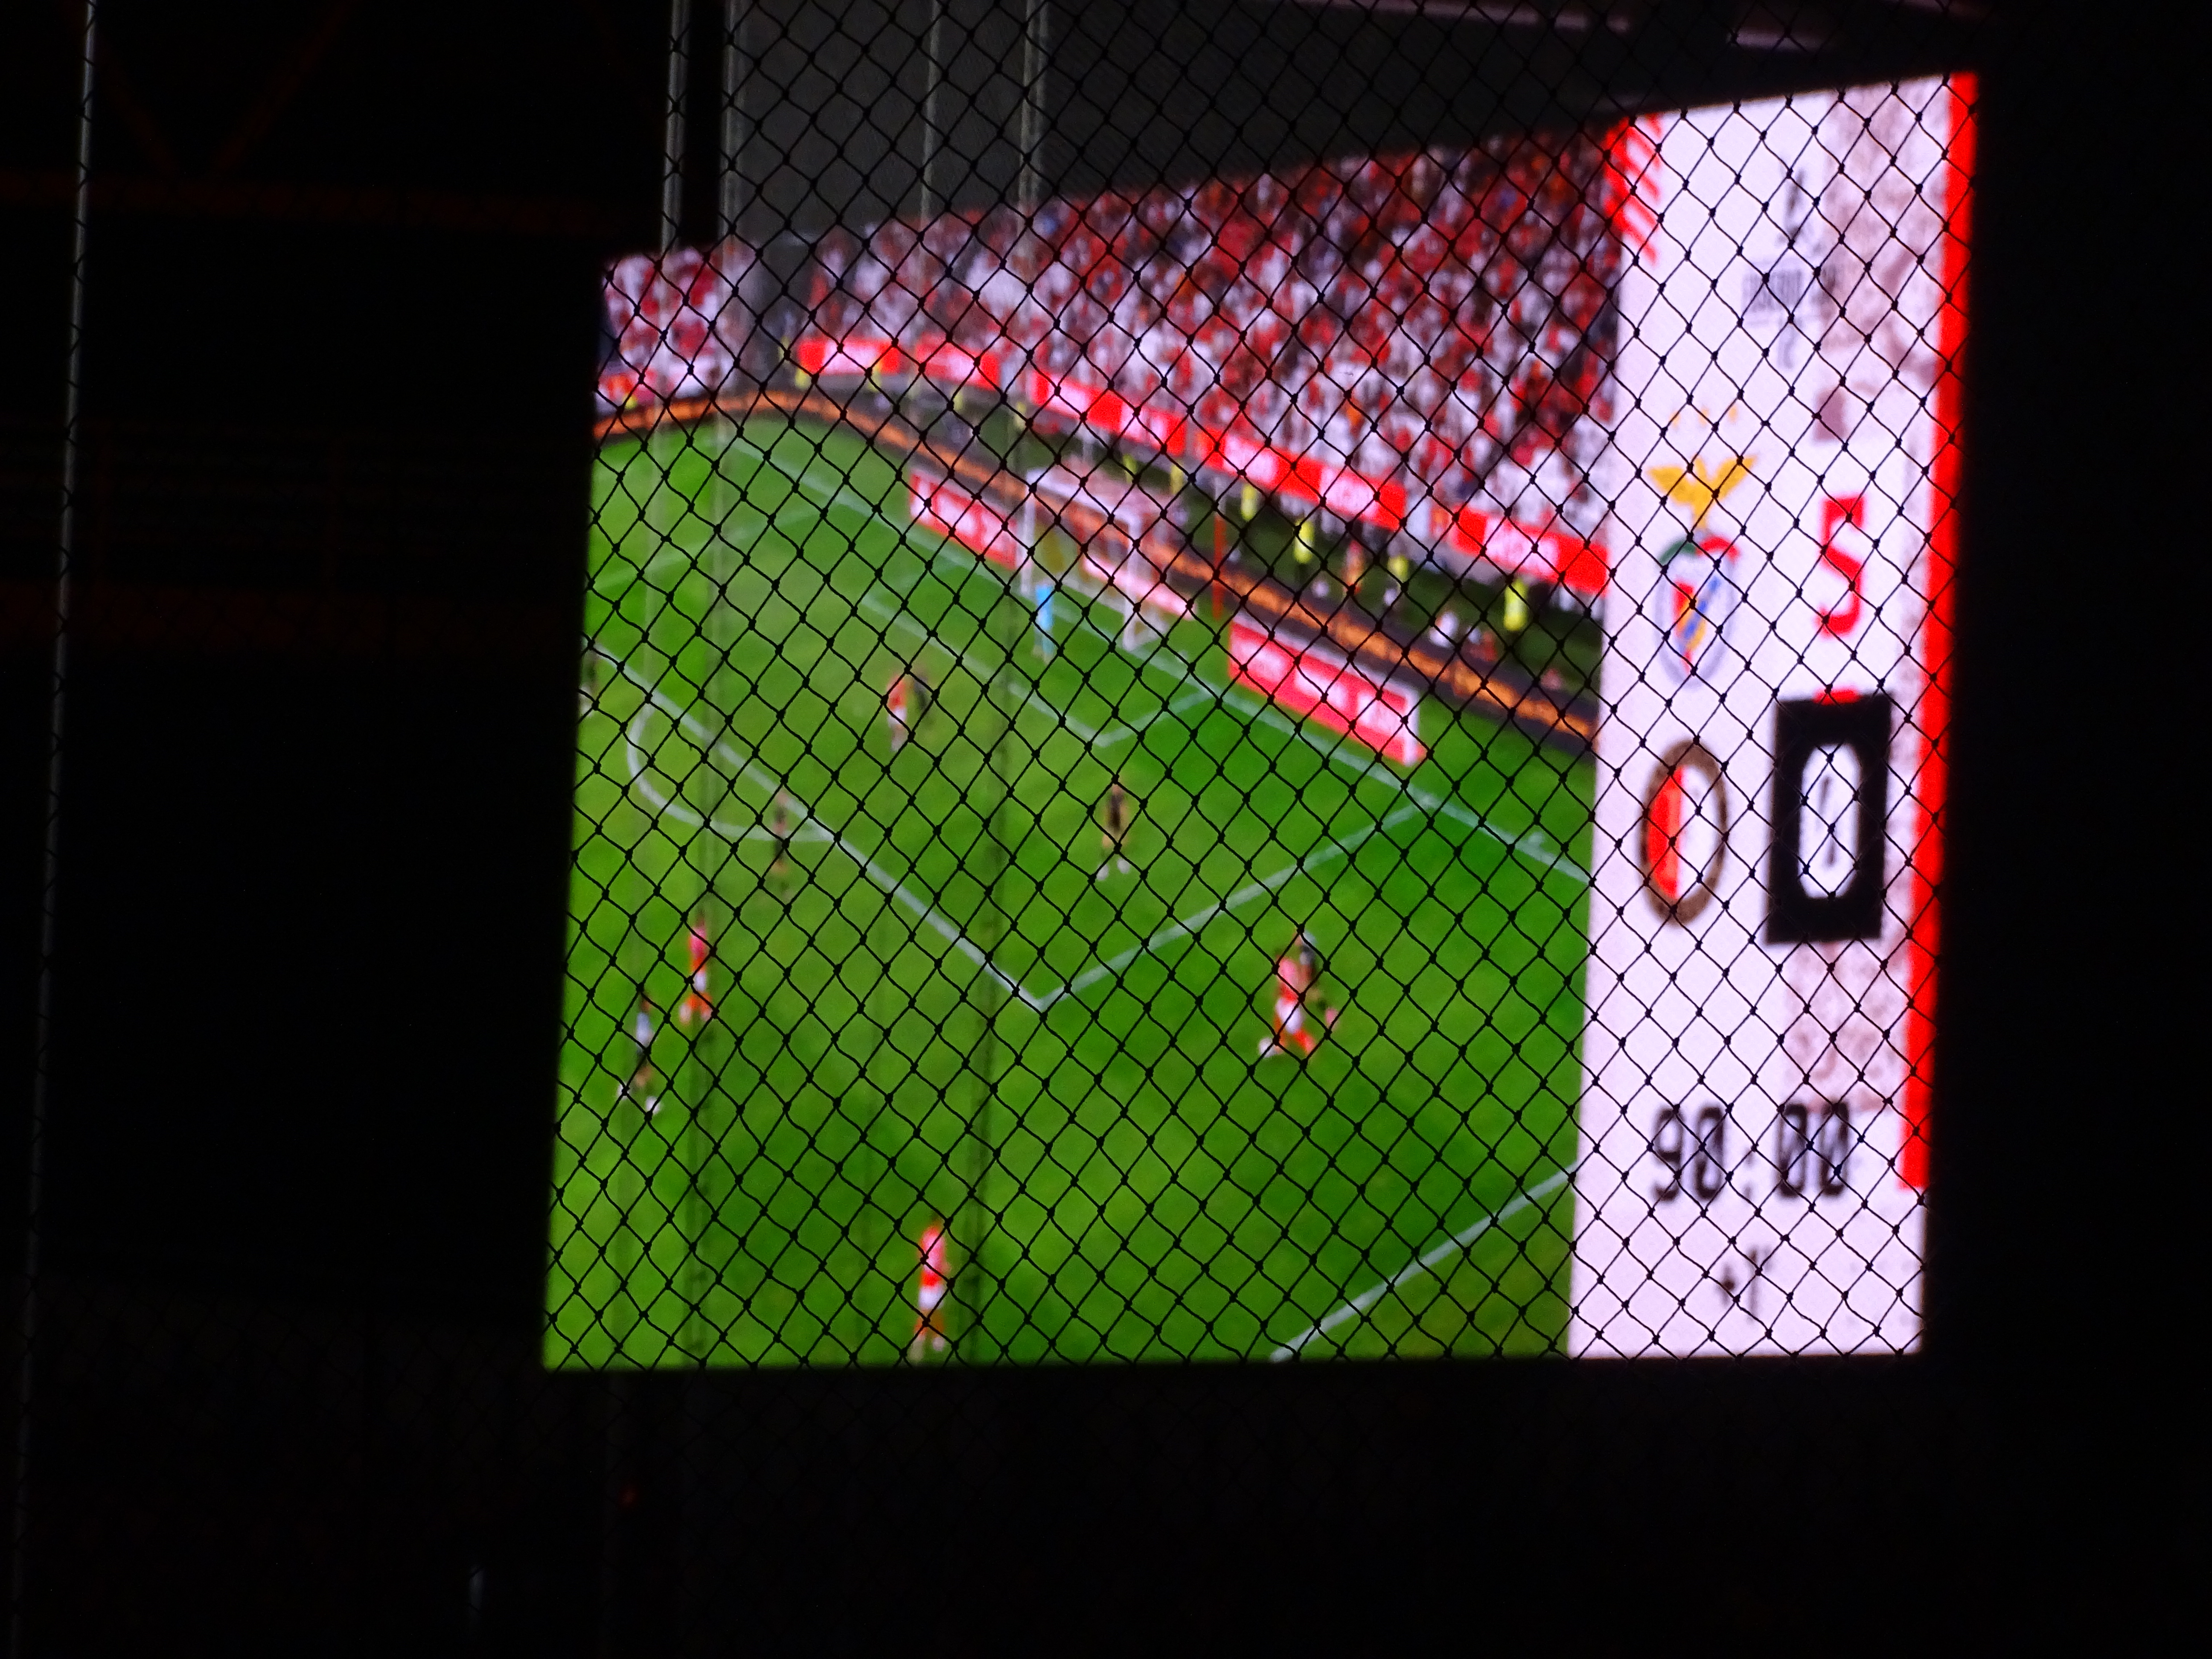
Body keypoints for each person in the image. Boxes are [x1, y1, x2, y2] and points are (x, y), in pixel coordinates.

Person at [1257, 927, 1339, 1060]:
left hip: (1293, 1001)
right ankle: (1281, 1041)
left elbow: (1296, 982)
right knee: (1279, 1010)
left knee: (1294, 1028)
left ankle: (1310, 1045)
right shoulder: (1288, 965)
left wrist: (1300, 989)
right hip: (1290, 998)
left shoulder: (1283, 968)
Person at [911, 1222, 951, 1359]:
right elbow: (941, 1258)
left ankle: (932, 1338)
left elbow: (919, 1254)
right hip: (934, 1283)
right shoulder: (940, 1238)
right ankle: (927, 1340)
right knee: (930, 1312)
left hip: (927, 1282)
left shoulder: (927, 1235)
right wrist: (945, 1267)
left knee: (929, 1312)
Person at [620, 994, 660, 1115]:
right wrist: (651, 1037)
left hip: (642, 1050)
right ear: (644, 1004)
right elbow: (642, 1036)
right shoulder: (643, 1018)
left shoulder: (644, 1017)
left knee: (644, 1075)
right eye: (649, 1002)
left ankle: (627, 1090)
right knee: (646, 1075)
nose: (652, 1005)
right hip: (642, 1050)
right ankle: (650, 1101)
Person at [677, 910, 713, 1027]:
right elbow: (698, 952)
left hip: (697, 968)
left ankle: (703, 1011)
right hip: (699, 969)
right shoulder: (699, 935)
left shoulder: (695, 933)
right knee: (700, 992)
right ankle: (701, 1011)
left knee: (699, 992)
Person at [1097, 774, 1135, 879]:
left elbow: (1125, 813)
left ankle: (1122, 861)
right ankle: (1103, 866)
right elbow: (1106, 811)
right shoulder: (1111, 798)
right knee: (1106, 845)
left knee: (1122, 844)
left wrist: (1125, 825)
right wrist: (1105, 824)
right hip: (1111, 824)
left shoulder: (1123, 799)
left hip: (1120, 825)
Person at [766, 790, 795, 894]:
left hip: (779, 841)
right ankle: (785, 891)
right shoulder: (780, 816)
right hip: (780, 841)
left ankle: (782, 889)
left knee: (778, 867)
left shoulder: (780, 815)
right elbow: (781, 822)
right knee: (780, 868)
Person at [886, 669, 912, 754]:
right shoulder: (894, 682)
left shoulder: (900, 683)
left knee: (899, 726)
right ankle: (898, 739)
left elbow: (894, 694)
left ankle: (898, 742)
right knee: (893, 726)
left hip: (899, 708)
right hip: (892, 708)